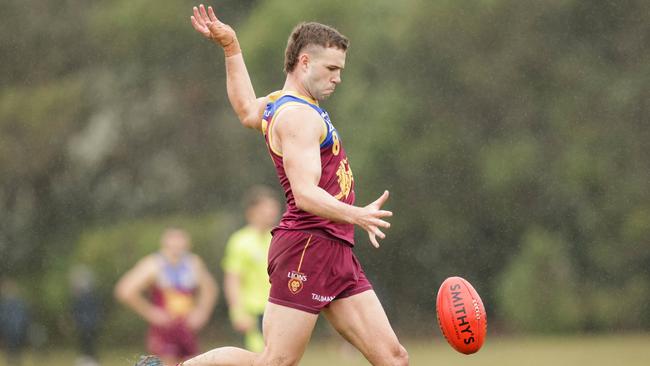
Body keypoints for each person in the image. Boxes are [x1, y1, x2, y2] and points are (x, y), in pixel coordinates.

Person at [136, 4, 409, 365]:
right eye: (331, 69)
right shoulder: (298, 116)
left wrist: (232, 48)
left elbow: (247, 109)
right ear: (305, 62)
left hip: (334, 248)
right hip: (307, 246)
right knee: (276, 362)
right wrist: (356, 214)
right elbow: (306, 195)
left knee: (394, 358)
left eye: (340, 70)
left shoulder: (283, 103)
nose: (337, 78)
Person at [116, 228, 218, 366]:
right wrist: (151, 313)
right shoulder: (153, 264)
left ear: (187, 245)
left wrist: (202, 312)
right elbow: (125, 290)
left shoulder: (193, 263)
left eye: (180, 245)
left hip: (186, 328)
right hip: (164, 330)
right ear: (164, 245)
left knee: (192, 363)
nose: (176, 249)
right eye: (172, 245)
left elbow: (210, 289)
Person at [221, 185, 280, 353]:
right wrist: (237, 311)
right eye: (266, 207)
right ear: (252, 211)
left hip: (280, 308)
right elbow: (233, 279)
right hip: (254, 311)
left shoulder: (279, 237)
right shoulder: (240, 241)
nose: (271, 212)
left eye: (273, 207)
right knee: (261, 356)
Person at [69, 265, 103, 366]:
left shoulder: (86, 297)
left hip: (87, 324)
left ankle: (91, 360)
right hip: (87, 324)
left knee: (89, 343)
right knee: (86, 343)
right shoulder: (88, 296)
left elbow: (78, 311)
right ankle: (88, 359)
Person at [0, 279, 30, 366]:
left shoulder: (19, 303)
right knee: (10, 351)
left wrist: (24, 329)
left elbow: (24, 318)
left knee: (17, 351)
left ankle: (16, 361)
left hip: (17, 331)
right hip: (8, 331)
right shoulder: (4, 304)